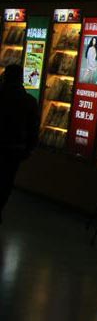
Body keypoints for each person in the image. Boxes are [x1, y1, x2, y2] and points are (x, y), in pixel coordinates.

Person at [0, 65, 39, 224]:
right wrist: (28, 150)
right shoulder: (29, 101)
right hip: (15, 149)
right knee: (6, 183)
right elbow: (33, 128)